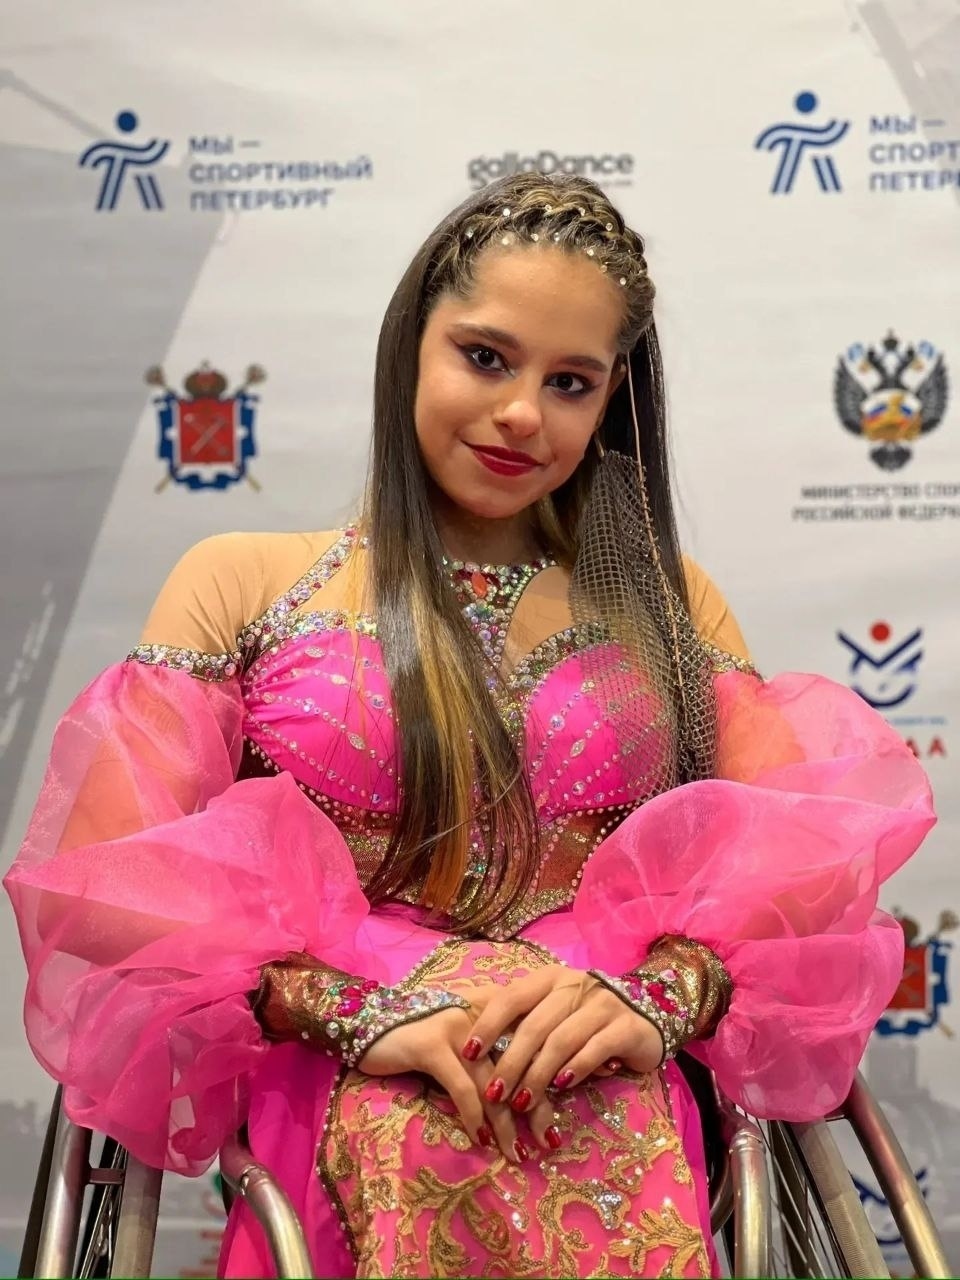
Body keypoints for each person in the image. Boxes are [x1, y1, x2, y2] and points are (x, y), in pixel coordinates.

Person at [5, 172, 935, 1279]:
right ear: (410, 345)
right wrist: (347, 1012)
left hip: (605, 1062)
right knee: (413, 1124)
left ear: (612, 401)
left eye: (571, 381)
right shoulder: (245, 583)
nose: (524, 413)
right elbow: (112, 880)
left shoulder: (665, 601)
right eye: (486, 357)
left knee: (603, 1102)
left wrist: (655, 996)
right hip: (340, 1069)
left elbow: (803, 861)